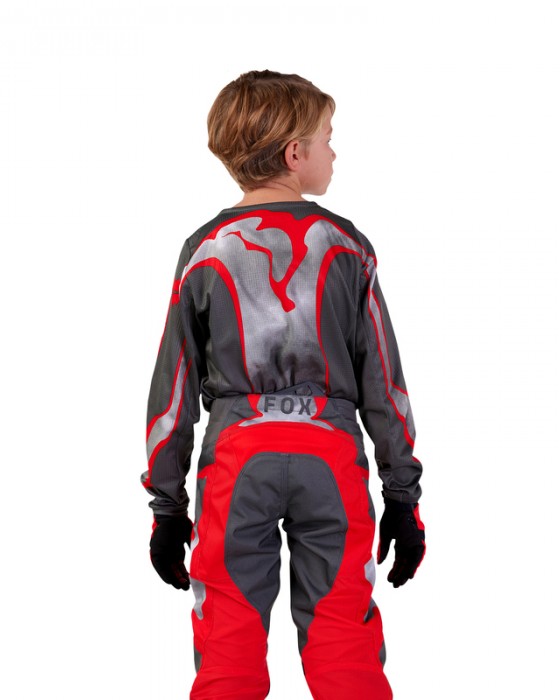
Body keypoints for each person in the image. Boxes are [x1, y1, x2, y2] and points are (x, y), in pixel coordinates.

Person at [141, 70, 425, 700]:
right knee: (343, 638)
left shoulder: (204, 249)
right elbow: (384, 381)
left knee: (228, 639)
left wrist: (167, 507)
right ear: (296, 154)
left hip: (236, 457)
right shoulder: (347, 245)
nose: (334, 152)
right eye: (328, 138)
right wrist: (402, 497)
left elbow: (173, 387)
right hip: (332, 455)